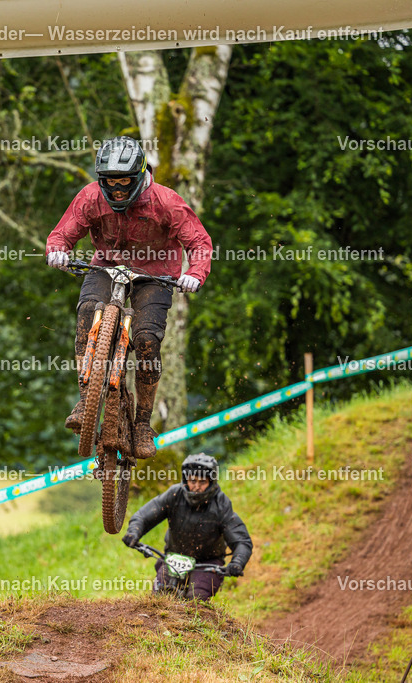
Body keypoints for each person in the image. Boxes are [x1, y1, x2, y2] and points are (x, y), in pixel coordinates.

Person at [45, 136, 213, 459]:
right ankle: (86, 399)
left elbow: (199, 243)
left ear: (139, 175)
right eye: (111, 183)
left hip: (156, 274)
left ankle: (142, 425)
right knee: (86, 315)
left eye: (125, 182)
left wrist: (194, 273)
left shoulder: (166, 201)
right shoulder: (91, 198)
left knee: (147, 339)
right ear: (100, 180)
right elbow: (62, 233)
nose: (118, 190)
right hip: (106, 266)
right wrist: (57, 251)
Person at [122, 453, 252, 601]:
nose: (196, 487)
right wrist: (134, 532)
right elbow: (144, 515)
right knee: (159, 598)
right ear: (186, 480)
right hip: (174, 557)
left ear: (211, 482)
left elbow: (241, 540)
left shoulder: (221, 504)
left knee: (196, 599)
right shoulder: (175, 494)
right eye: (192, 481)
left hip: (208, 562)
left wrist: (237, 562)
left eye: (202, 482)